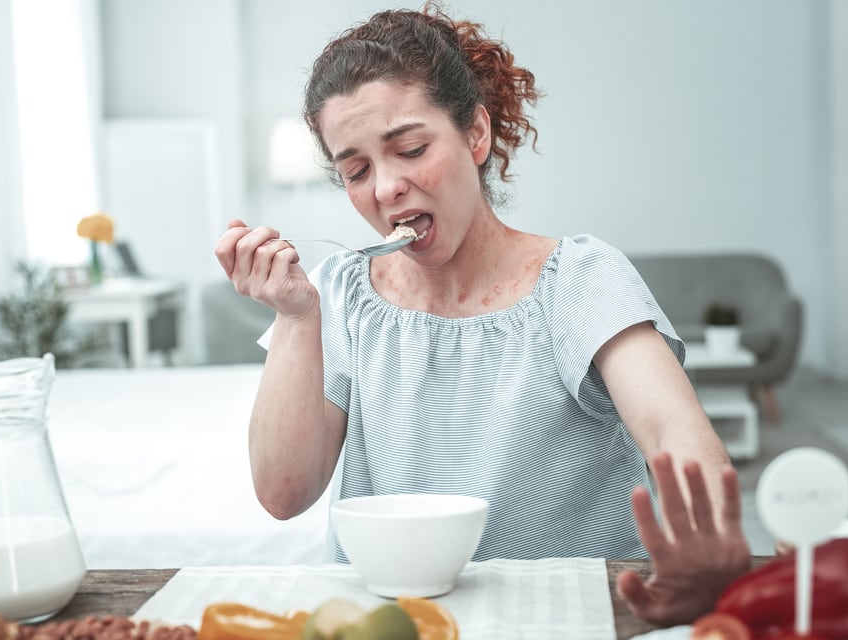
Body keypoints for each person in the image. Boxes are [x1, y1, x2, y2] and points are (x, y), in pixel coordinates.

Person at [215, 4, 750, 626]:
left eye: (410, 148)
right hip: (394, 627)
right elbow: (283, 494)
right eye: (356, 170)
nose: (385, 188)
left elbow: (673, 433)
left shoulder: (577, 279)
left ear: (476, 135)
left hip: (565, 619)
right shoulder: (335, 293)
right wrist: (296, 318)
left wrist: (709, 551)